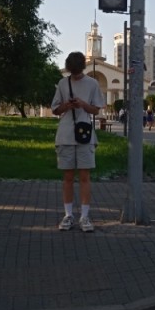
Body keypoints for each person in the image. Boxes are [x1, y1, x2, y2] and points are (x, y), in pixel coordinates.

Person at [51, 51, 105, 232]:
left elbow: (96, 110)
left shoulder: (92, 83)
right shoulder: (62, 83)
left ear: (83, 67)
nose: (74, 75)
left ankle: (84, 216)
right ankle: (68, 215)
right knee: (67, 178)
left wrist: (82, 104)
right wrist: (67, 105)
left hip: (84, 135)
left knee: (84, 177)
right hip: (65, 135)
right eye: (71, 72)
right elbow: (55, 110)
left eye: (76, 71)